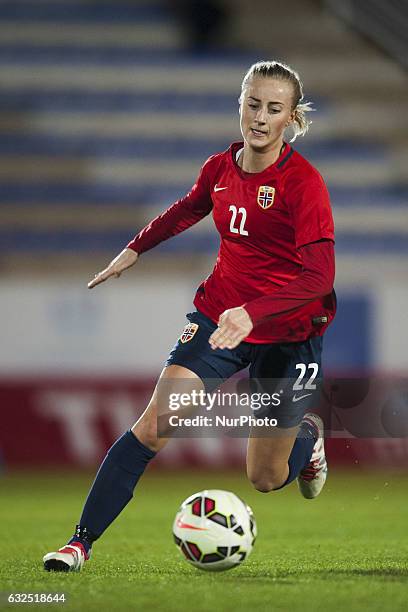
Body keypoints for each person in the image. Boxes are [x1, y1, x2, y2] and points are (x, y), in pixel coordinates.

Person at [43, 60, 336, 572]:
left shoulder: (304, 184)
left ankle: (307, 442)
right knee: (154, 425)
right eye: (252, 104)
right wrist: (135, 249)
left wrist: (256, 312)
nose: (260, 118)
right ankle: (78, 544)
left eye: (274, 109)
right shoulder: (219, 168)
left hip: (289, 333)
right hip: (219, 319)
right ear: (240, 103)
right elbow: (187, 208)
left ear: (291, 118)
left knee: (265, 478)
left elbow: (320, 277)